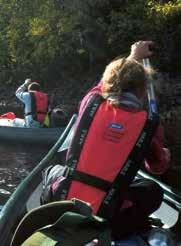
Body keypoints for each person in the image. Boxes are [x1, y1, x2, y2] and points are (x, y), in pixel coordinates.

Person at [41, 41, 171, 240]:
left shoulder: (90, 102)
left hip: (61, 203)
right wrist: (165, 156)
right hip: (106, 217)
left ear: (111, 82)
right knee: (153, 191)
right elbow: (157, 167)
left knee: (50, 171)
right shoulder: (149, 123)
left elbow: (104, 85)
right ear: (143, 90)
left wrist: (133, 56)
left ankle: (52, 218)